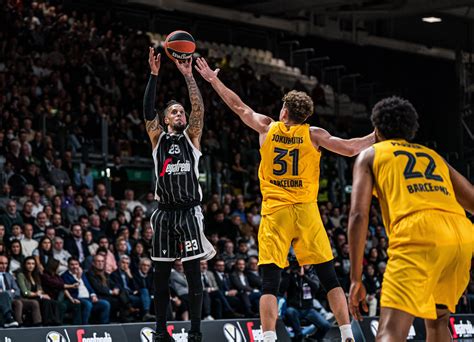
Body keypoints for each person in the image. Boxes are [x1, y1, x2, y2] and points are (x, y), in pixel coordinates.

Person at [195, 57, 375, 342]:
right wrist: (378, 133)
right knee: (329, 278)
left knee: (270, 283)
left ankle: (268, 337)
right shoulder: (314, 134)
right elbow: (352, 149)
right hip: (306, 212)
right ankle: (346, 334)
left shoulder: (267, 128)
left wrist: (213, 80)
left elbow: (238, 106)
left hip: (275, 212)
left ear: (284, 110)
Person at [348, 96, 474, 341]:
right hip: (461, 236)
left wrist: (355, 278)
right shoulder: (433, 156)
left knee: (389, 332)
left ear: (376, 129)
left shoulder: (371, 154)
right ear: (410, 130)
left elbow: (358, 214)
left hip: (419, 234)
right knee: (438, 322)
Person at [144, 48, 215, 342]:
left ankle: (195, 332)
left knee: (193, 276)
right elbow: (148, 111)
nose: (181, 113)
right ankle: (161, 332)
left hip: (188, 212)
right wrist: (154, 75)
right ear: (165, 118)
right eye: (175, 111)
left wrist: (188, 77)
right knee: (160, 278)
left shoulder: (192, 137)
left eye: (181, 111)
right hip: (164, 213)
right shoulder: (157, 138)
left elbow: (198, 110)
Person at [61, 256, 111, 324]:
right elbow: (73, 288)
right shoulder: (65, 276)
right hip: (77, 298)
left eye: (76, 264)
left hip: (89, 298)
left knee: (105, 304)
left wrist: (93, 295)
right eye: (72, 264)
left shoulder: (83, 274)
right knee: (88, 304)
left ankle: (104, 326)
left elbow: (88, 286)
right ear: (68, 265)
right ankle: (85, 326)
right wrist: (78, 277)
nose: (75, 266)